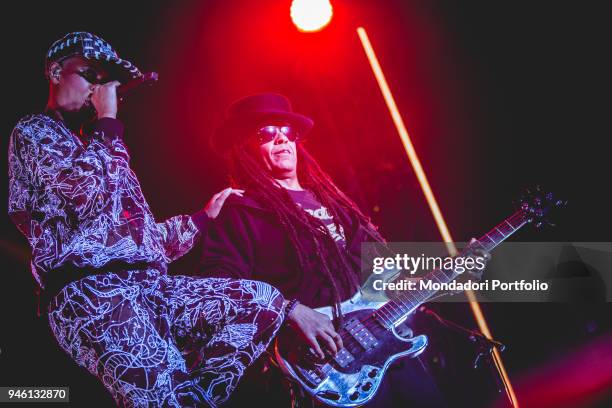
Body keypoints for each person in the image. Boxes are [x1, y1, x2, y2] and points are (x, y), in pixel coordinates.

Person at [8, 33, 285, 407]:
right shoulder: (34, 132)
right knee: (160, 397)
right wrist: (107, 122)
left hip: (151, 286)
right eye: (90, 75)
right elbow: (82, 194)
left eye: (106, 84)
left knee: (264, 303)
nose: (98, 89)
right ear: (56, 72)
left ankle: (191, 399)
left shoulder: (96, 146)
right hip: (94, 295)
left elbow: (134, 240)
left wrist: (201, 220)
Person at [200, 93, 450, 406]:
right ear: (244, 147)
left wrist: (409, 284)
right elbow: (221, 286)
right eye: (265, 133)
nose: (281, 138)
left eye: (288, 132)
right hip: (325, 365)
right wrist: (289, 310)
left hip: (385, 344)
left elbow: (379, 268)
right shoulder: (241, 211)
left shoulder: (332, 200)